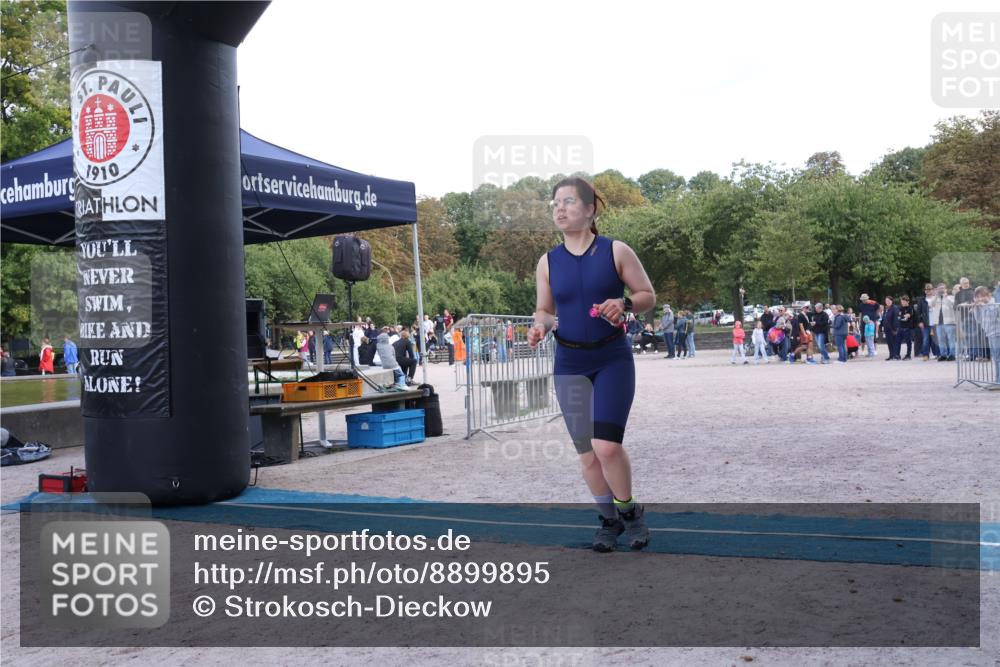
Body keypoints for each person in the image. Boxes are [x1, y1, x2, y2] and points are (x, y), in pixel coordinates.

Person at [527, 176, 654, 552]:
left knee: (607, 447)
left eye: (568, 201)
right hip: (569, 363)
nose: (560, 209)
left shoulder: (616, 251)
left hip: (611, 358)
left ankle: (629, 512)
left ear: (590, 209)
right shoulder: (547, 261)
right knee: (587, 455)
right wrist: (538, 327)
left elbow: (647, 294)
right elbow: (545, 310)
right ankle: (609, 521)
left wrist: (627, 304)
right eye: (555, 203)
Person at [929, 283, 956, 361]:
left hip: (949, 322)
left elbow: (953, 305)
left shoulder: (951, 297)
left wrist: (945, 297)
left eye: (942, 288)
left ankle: (952, 354)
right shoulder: (935, 298)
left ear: (946, 289)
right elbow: (931, 304)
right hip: (939, 323)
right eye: (939, 288)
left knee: (951, 339)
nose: (941, 290)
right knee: (941, 340)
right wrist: (936, 295)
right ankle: (943, 354)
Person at [881, 296, 901, 360]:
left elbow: (896, 318)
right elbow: (884, 318)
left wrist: (895, 329)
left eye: (889, 301)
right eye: (886, 301)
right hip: (887, 328)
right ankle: (891, 355)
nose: (887, 302)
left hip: (893, 328)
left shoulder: (894, 308)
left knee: (894, 342)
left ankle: (896, 355)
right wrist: (882, 326)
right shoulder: (886, 308)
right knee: (889, 342)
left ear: (892, 301)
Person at [897, 295, 915, 360]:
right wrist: (903, 316)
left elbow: (908, 316)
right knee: (898, 342)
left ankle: (908, 355)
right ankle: (897, 355)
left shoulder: (910, 308)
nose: (902, 303)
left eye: (904, 301)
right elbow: (899, 317)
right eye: (901, 301)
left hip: (908, 328)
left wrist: (903, 316)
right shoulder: (900, 308)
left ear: (907, 301)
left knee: (908, 342)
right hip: (900, 327)